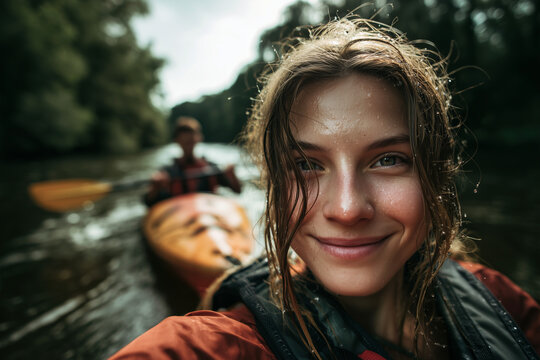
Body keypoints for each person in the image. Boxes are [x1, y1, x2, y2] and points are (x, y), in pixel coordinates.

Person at [110, 18, 540, 359]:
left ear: (437, 175)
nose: (348, 209)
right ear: (274, 187)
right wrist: (158, 189)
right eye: (305, 165)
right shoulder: (220, 346)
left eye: (388, 159)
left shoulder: (500, 300)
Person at [143, 116, 242, 207]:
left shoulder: (211, 167)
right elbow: (148, 202)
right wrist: (155, 188)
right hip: (180, 215)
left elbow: (238, 190)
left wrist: (232, 175)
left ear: (198, 139)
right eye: (185, 143)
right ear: (177, 141)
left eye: (191, 142)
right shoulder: (168, 171)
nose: (188, 146)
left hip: (209, 211)